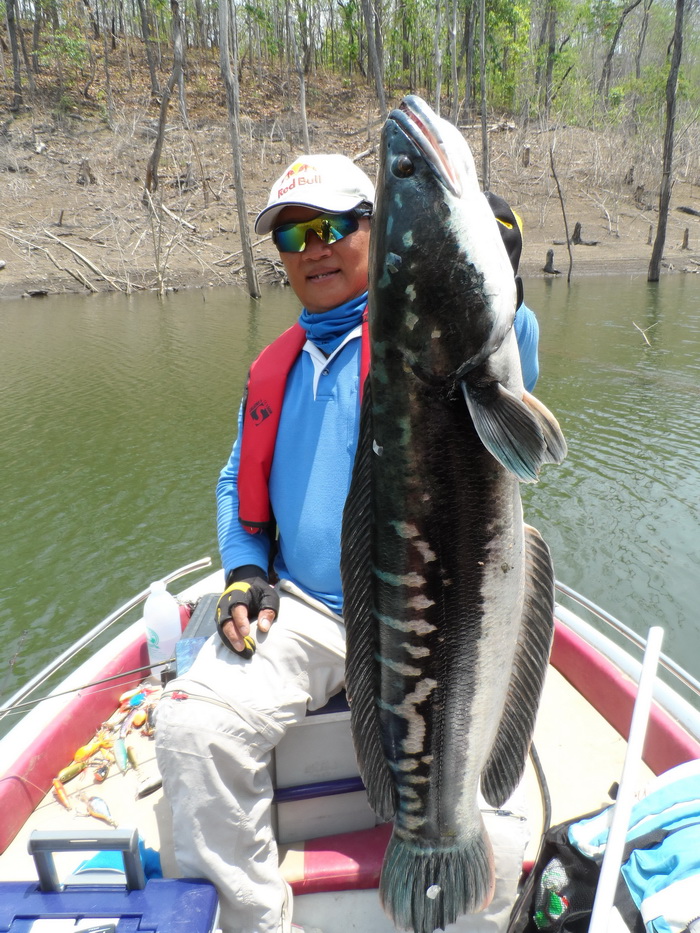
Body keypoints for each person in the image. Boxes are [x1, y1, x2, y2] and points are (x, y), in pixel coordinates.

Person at [154, 155, 540, 933]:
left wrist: (482, 256)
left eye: (334, 225)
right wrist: (241, 572)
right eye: (293, 235)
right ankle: (259, 921)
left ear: (379, 228)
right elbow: (238, 483)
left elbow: (511, 344)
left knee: (486, 799)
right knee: (191, 728)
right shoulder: (273, 368)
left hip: (441, 609)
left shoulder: (429, 340)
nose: (314, 248)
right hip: (304, 606)